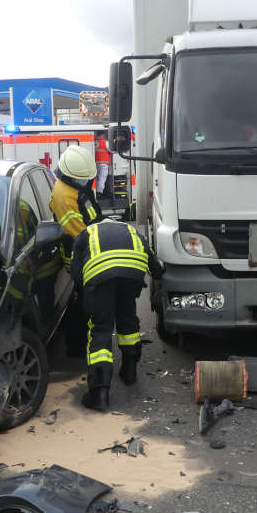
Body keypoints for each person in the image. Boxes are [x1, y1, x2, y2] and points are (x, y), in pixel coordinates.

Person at [70, 219, 165, 411]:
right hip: (132, 274)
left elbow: (75, 271)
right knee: (127, 320)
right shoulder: (131, 231)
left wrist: (90, 291)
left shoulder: (86, 233)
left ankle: (99, 393)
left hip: (99, 276)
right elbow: (155, 264)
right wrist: (159, 281)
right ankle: (129, 372)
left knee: (101, 328)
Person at [49, 144, 103, 355]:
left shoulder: (76, 188)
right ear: (71, 176)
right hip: (79, 257)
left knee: (85, 303)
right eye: (85, 178)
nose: (88, 181)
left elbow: (90, 215)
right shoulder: (64, 198)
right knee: (81, 305)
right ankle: (78, 348)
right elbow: (79, 233)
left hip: (86, 252)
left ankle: (82, 343)